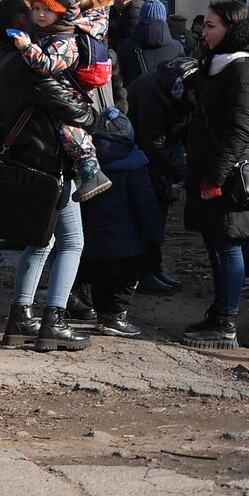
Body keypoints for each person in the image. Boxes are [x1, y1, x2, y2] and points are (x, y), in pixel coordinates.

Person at [0, 0, 101, 352]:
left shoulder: (1, 59)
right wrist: (91, 112)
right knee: (72, 242)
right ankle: (55, 320)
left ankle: (20, 317)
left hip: (26, 159)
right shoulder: (28, 65)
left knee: (41, 240)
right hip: (49, 164)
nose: (38, 16)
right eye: (31, 11)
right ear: (20, 19)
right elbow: (82, 114)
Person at [180, 0, 249, 349]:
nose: (204, 31)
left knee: (227, 243)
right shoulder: (219, 64)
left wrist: (216, 176)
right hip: (214, 168)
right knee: (217, 243)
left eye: (211, 26)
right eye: (204, 25)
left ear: (230, 31)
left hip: (230, 175)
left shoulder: (245, 69)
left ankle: (227, 321)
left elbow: (242, 128)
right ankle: (220, 312)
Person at [11, 0, 112, 201]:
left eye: (47, 10)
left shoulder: (66, 40)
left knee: (69, 130)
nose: (40, 14)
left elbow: (47, 65)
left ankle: (92, 171)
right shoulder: (48, 34)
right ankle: (81, 175)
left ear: (61, 11)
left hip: (70, 95)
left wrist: (26, 47)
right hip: (59, 94)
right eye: (36, 8)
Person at [81, 107, 164, 337]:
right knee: (126, 281)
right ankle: (115, 315)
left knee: (100, 279)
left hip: (95, 238)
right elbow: (146, 204)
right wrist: (155, 234)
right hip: (129, 243)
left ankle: (101, 314)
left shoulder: (89, 164)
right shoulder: (135, 166)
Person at [126, 55, 197, 293]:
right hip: (139, 149)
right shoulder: (153, 93)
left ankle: (154, 268)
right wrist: (181, 172)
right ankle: (144, 272)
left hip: (162, 145)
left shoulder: (186, 93)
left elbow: (188, 129)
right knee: (148, 211)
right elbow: (151, 143)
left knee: (160, 209)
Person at [116, 0, 182, 91]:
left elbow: (118, 80)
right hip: (166, 103)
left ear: (141, 18)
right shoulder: (177, 47)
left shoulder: (126, 46)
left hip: (135, 101)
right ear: (164, 18)